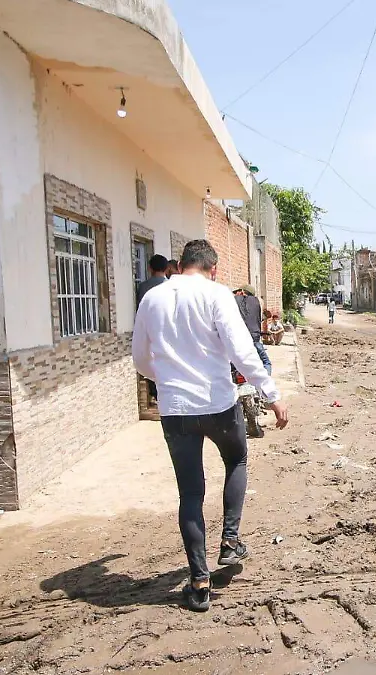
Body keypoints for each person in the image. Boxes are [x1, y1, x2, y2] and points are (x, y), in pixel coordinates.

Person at [132, 239, 288, 613]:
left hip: (176, 411)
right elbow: (242, 350)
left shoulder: (151, 299)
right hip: (219, 405)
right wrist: (271, 392)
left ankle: (199, 582)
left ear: (180, 264)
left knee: (190, 492)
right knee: (236, 461)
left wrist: (167, 382)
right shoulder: (218, 296)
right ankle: (230, 542)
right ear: (213, 268)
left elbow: (140, 358)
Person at [136, 254, 171, 406]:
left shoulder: (143, 287)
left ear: (149, 268)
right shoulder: (171, 287)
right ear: (167, 268)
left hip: (150, 332)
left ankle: (155, 395)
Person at [234, 285, 272, 375]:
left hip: (238, 340)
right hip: (254, 339)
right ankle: (265, 386)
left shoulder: (234, 300)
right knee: (266, 363)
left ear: (242, 292)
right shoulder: (258, 302)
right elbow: (260, 318)